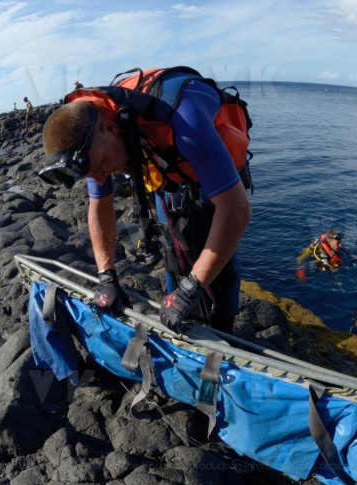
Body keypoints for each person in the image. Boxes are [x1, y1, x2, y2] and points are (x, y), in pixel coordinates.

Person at [38, 67, 251, 333]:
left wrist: (194, 286)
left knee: (222, 271)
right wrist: (106, 276)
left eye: (102, 167)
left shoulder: (184, 119)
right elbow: (99, 204)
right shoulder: (93, 143)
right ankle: (184, 318)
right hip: (168, 165)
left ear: (110, 128)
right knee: (174, 249)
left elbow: (236, 210)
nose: (103, 177)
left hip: (209, 162)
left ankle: (225, 327)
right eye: (94, 173)